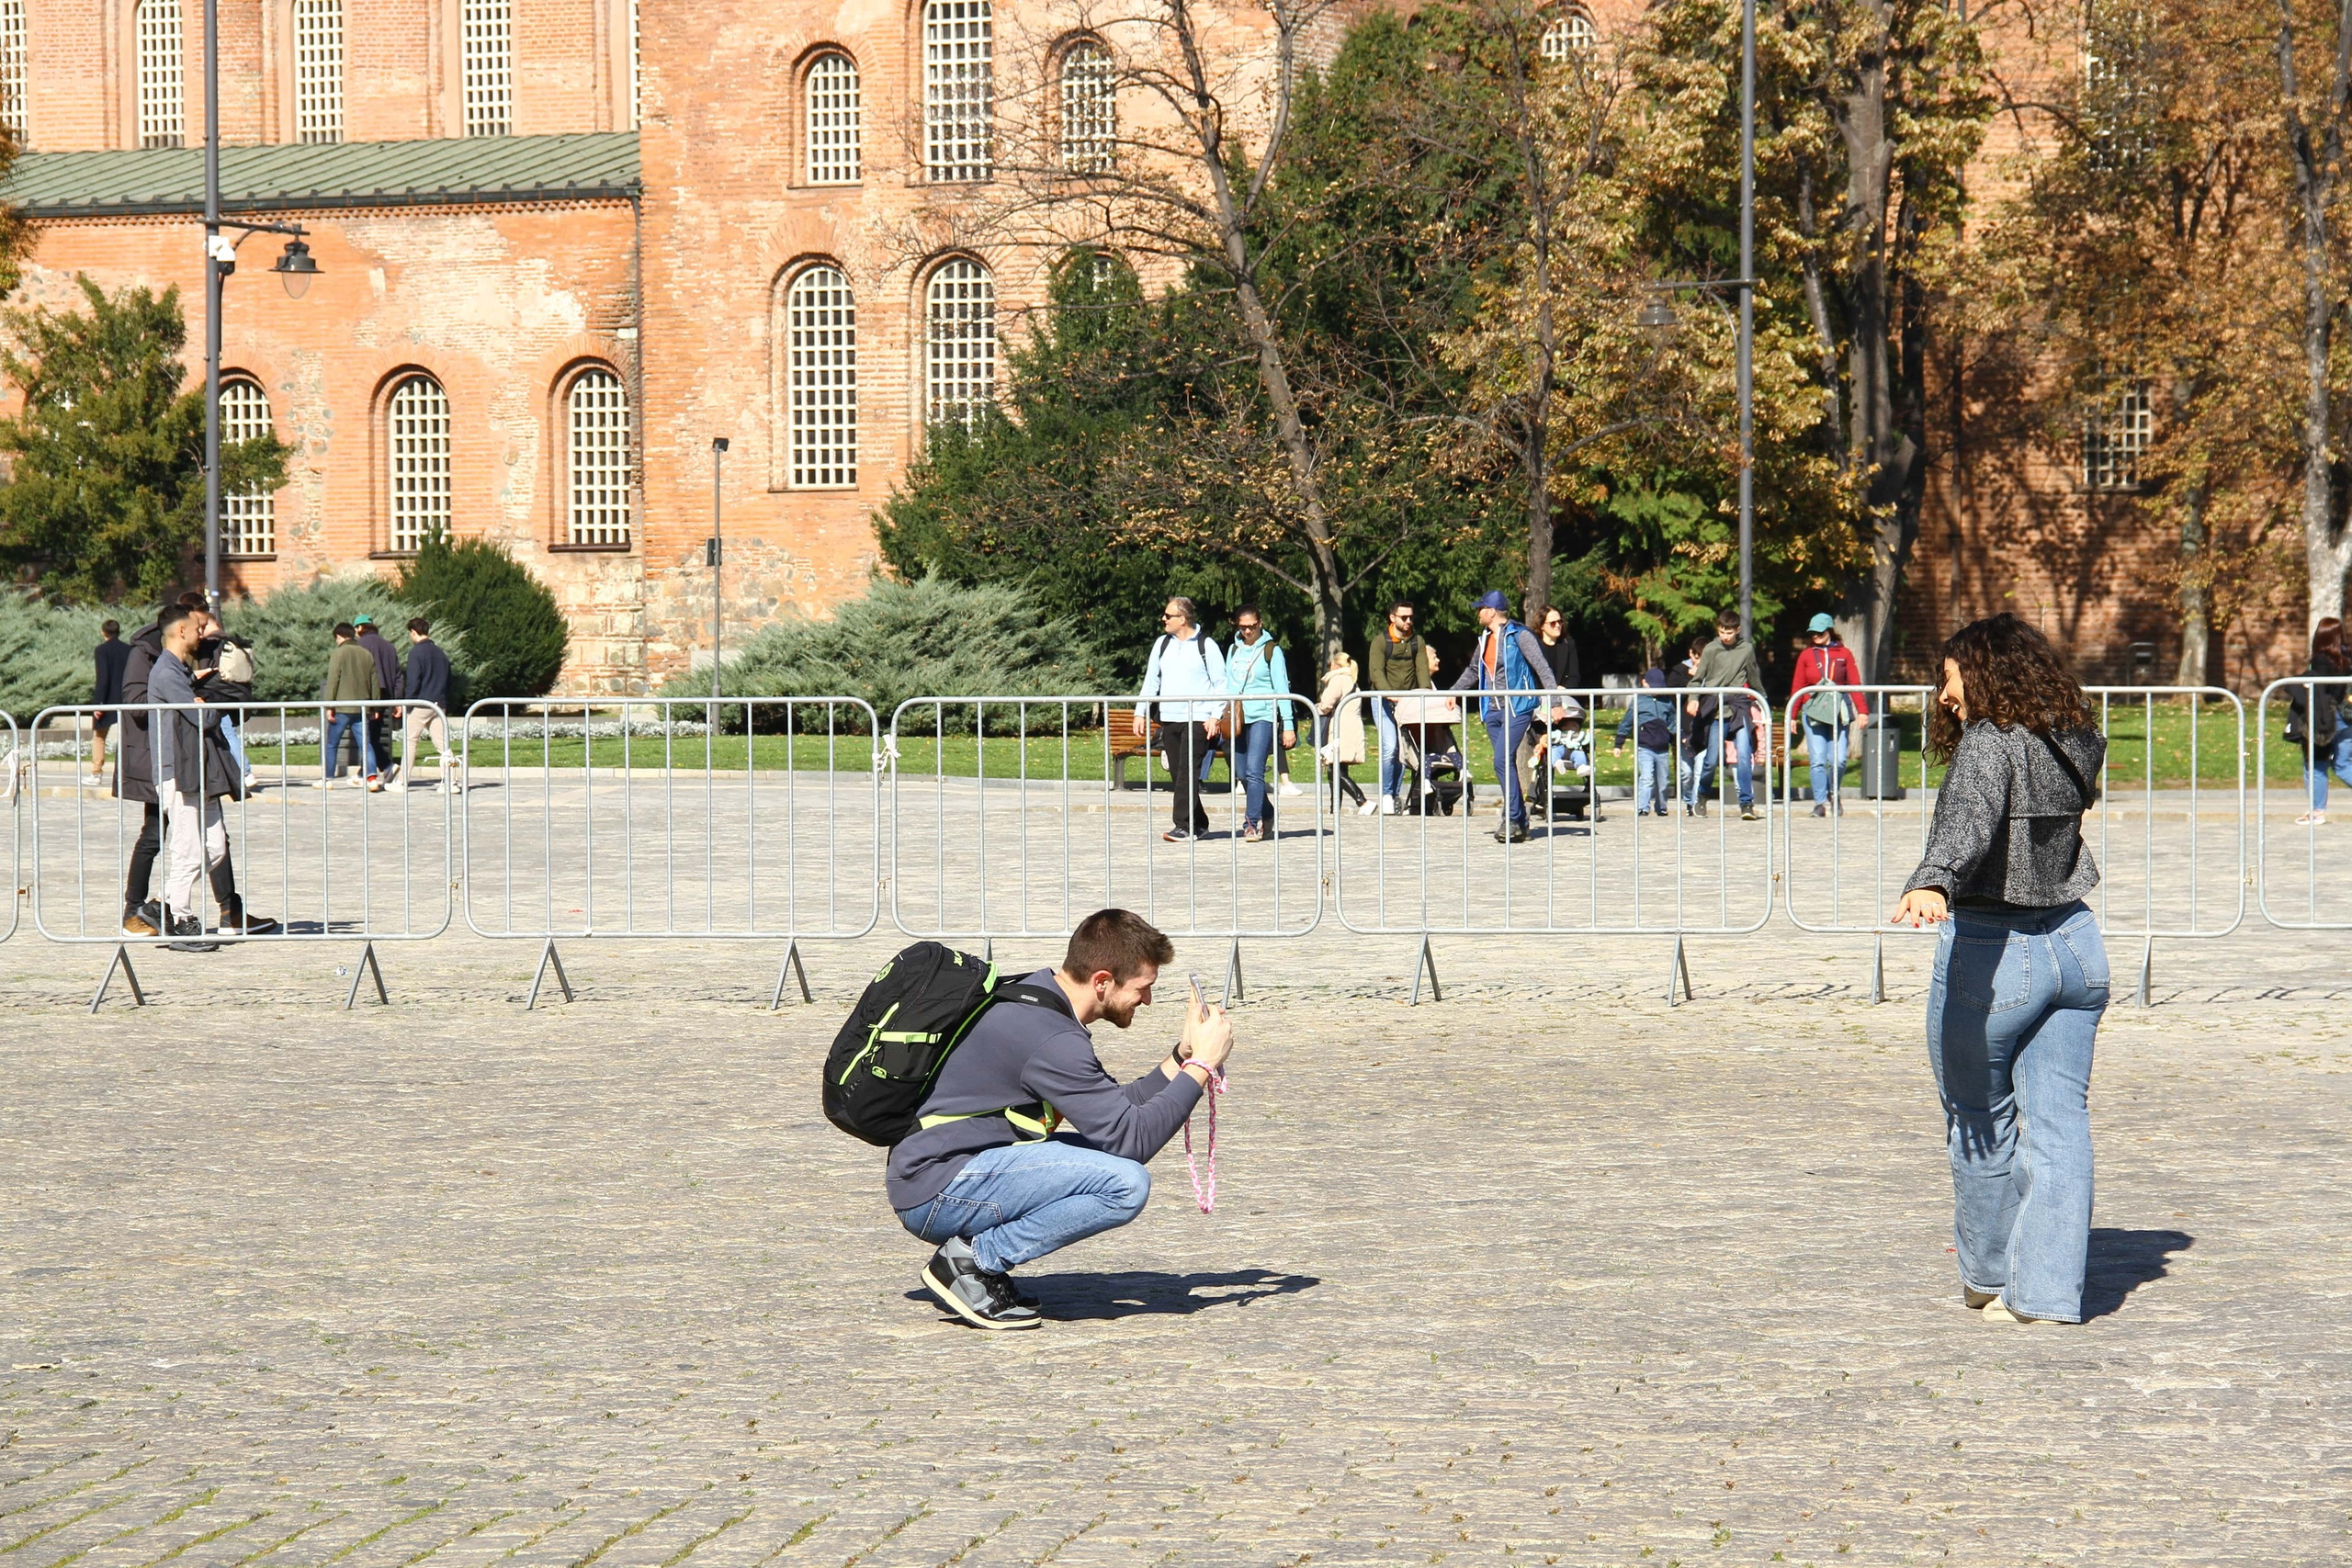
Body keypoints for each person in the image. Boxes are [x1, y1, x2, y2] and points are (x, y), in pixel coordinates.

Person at [1891, 613, 2109, 1326]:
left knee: (1979, 1119)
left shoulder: (1990, 740)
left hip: (1996, 951)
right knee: (2060, 1127)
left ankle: (1987, 1277)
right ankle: (2043, 1294)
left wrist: (1933, 879)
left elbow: (1969, 818)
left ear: (1981, 669)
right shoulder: (2075, 734)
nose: (1944, 694)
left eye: (1948, 676)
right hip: (2076, 945)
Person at [888, 908, 1235, 1329]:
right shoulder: (1052, 1039)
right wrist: (1203, 1065)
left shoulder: (1038, 999)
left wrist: (1182, 1057)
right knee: (1125, 1184)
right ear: (1103, 981)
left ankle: (978, 1263)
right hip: (937, 1189)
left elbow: (1116, 1112)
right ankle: (970, 1262)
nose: (1147, 1000)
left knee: (1117, 1168)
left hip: (951, 1168)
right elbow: (1133, 1139)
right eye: (1143, 988)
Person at [148, 605, 248, 949]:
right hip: (177, 770)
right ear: (180, 632)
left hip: (196, 769)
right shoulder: (166, 672)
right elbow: (200, 718)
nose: (200, 634)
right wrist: (210, 700)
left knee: (216, 847)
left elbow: (194, 705)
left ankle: (161, 902)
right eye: (195, 629)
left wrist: (200, 689)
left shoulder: (179, 670)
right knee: (188, 849)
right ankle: (182, 917)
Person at [1448, 590, 1559, 844]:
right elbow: (1474, 670)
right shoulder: (1485, 638)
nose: (1478, 613)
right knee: (1504, 764)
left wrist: (1555, 701)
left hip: (1518, 707)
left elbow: (1542, 667)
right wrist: (1452, 692)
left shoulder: (1520, 635)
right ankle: (1520, 822)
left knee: (1500, 760)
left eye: (1481, 609)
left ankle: (1510, 819)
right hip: (1492, 710)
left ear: (1491, 611)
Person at [1134, 597, 1227, 841]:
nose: (1163, 619)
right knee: (1178, 773)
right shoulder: (1162, 644)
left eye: (1168, 615)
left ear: (1182, 619)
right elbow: (1151, 681)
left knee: (1187, 771)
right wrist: (1139, 712)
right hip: (1169, 718)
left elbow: (1221, 684)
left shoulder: (1207, 645)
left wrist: (1215, 716)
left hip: (1198, 719)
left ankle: (1184, 826)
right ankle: (1201, 822)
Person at [1223, 605, 1295, 841]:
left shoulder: (1272, 651)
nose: (1247, 631)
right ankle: (1268, 811)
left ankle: (1251, 824)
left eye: (1251, 626)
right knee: (1242, 773)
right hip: (1237, 717)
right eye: (1242, 627)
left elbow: (1282, 689)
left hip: (1263, 716)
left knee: (1254, 771)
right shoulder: (1233, 649)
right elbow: (1227, 686)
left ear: (1260, 623)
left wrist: (1289, 724)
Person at [1788, 613, 1870, 817]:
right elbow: (1798, 686)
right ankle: (1819, 802)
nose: (1816, 635)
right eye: (1813, 633)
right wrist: (1792, 714)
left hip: (1838, 713)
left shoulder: (1844, 654)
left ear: (1830, 631)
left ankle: (1834, 792)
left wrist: (1862, 711)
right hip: (1813, 713)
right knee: (1817, 759)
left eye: (1820, 632)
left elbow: (1854, 684)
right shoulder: (1806, 655)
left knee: (1839, 759)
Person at [1690, 605, 1767, 820]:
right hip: (1716, 709)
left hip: (1739, 707)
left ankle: (1746, 803)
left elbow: (1753, 677)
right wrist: (1693, 698)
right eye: (1722, 632)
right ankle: (1702, 795)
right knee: (1711, 760)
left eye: (1729, 632)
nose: (1725, 636)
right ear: (1718, 629)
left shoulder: (1746, 649)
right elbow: (1697, 680)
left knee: (1743, 755)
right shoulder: (1711, 649)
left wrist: (1763, 701)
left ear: (1738, 630)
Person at [1364, 600, 1432, 816]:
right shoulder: (1380, 641)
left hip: (1409, 702)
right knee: (1389, 746)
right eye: (1404, 617)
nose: (1408, 621)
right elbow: (1376, 673)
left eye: (1411, 617)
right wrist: (1391, 695)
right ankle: (1385, 794)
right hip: (1383, 700)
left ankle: (1394, 794)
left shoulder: (1417, 641)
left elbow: (1422, 672)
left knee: (1404, 750)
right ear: (1392, 618)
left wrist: (1425, 693)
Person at [2287, 615, 2352, 825]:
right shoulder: (2348, 657)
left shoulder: (2321, 660)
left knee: (2316, 764)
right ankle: (2316, 812)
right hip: (2348, 716)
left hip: (2325, 718)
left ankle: (2317, 812)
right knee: (2343, 764)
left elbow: (2319, 692)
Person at [318, 623, 385, 790]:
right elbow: (374, 683)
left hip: (342, 707)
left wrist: (329, 705)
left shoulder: (339, 653)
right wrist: (375, 707)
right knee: (366, 744)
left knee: (332, 743)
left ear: (339, 637)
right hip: (362, 707)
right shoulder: (366, 654)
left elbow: (334, 680)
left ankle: (327, 779)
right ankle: (371, 779)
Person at [395, 617, 458, 793]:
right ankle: (451, 781)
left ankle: (402, 781)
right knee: (444, 745)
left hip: (421, 703)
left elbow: (413, 681)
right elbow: (449, 681)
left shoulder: (416, 653)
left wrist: (407, 703)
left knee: (410, 741)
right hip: (439, 704)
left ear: (413, 632)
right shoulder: (440, 653)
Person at [1611, 668, 1676, 817]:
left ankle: (1661, 807)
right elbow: (1627, 722)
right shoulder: (1638, 700)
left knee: (1664, 780)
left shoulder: (1666, 701)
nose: (1656, 691)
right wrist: (1618, 743)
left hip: (1663, 748)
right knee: (1646, 777)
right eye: (1653, 687)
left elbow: (1672, 722)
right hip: (1645, 747)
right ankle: (1643, 807)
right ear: (1644, 683)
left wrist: (1680, 736)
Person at [1315, 649, 1368, 809]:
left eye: (1329, 664)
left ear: (1336, 666)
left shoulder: (1338, 680)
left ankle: (1362, 801)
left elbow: (1326, 704)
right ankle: (1334, 807)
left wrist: (1316, 708)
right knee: (1338, 768)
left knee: (1334, 770)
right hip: (1351, 726)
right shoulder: (1352, 680)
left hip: (1341, 728)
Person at [353, 614, 401, 783]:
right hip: (385, 696)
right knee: (373, 734)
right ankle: (367, 771)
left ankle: (384, 766)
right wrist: (397, 700)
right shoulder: (389, 646)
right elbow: (397, 675)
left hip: (366, 695)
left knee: (366, 736)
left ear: (360, 628)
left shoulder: (359, 646)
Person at [89, 620, 130, 785]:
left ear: (103, 632)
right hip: (125, 698)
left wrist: (98, 703)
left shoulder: (101, 650)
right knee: (127, 737)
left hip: (107, 700)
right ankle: (125, 773)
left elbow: (103, 678)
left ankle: (97, 773)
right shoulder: (129, 650)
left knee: (99, 737)